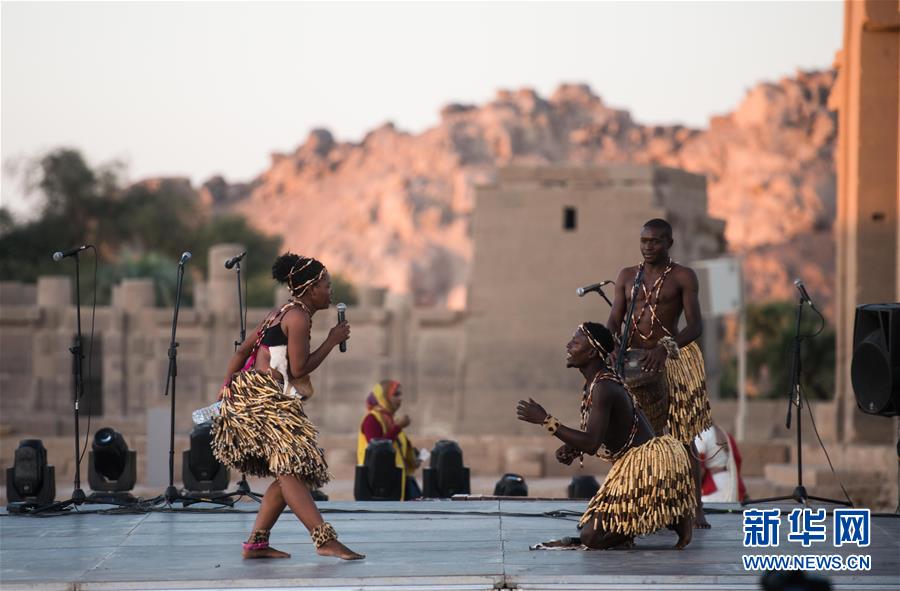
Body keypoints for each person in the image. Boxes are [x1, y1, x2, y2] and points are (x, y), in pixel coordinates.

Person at [212, 252, 364, 561]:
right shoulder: (298, 317)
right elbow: (298, 369)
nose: (331, 291)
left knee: (288, 473)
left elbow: (242, 351)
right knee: (291, 471)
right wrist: (332, 340)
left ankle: (256, 543)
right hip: (265, 401)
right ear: (311, 288)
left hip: (256, 397)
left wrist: (226, 388)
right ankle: (324, 539)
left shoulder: (279, 312)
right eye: (327, 285)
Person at [516, 322, 695, 550]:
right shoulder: (597, 382)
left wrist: (547, 421)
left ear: (591, 352)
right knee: (592, 532)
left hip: (648, 466)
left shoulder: (603, 387)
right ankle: (668, 514)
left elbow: (591, 443)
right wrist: (574, 447)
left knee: (591, 538)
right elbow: (601, 433)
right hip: (641, 462)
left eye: (575, 342)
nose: (568, 346)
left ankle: (668, 515)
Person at [607, 218, 713, 528]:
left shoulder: (683, 277)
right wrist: (611, 344)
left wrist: (664, 349)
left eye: (654, 241)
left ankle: (695, 507)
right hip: (634, 360)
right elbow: (615, 318)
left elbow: (695, 325)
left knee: (683, 435)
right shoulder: (627, 277)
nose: (647, 247)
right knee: (633, 435)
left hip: (673, 357)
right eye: (643, 241)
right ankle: (639, 504)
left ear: (669, 243)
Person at [356, 380, 422, 500]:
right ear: (384, 397)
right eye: (396, 394)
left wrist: (413, 459)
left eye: (400, 395)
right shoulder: (371, 419)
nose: (400, 399)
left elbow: (399, 450)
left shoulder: (390, 419)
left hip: (394, 481)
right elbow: (378, 449)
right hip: (376, 484)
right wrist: (397, 428)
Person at [695, 423, 747, 503]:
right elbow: (737, 459)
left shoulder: (702, 433)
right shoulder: (722, 432)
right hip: (730, 480)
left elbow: (699, 468)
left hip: (714, 486)